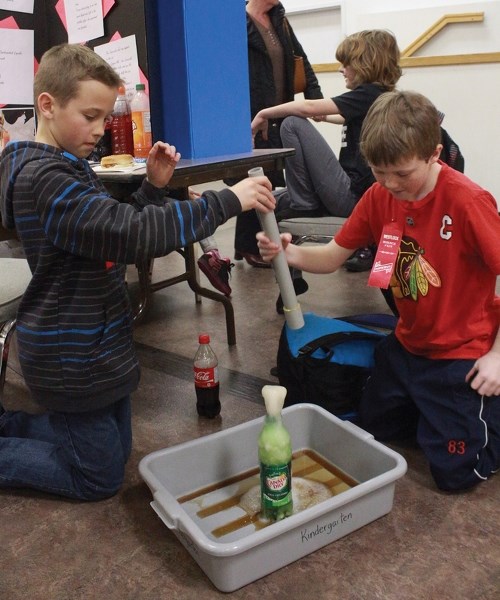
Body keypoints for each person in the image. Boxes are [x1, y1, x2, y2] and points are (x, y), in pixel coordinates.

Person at [0, 43, 275, 501]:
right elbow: (128, 233)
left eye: (103, 117)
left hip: (96, 342)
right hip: (72, 352)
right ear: (47, 105)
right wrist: (227, 201)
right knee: (98, 477)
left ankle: (13, 425)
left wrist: (152, 187)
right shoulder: (43, 179)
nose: (98, 130)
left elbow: (107, 240)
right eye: (88, 116)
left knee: (116, 449)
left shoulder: (63, 167)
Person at [257, 90, 500, 491]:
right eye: (378, 171)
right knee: (373, 428)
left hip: (462, 350)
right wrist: (291, 252)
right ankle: (440, 412)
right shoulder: (379, 196)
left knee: (455, 475)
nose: (390, 184)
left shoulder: (468, 202)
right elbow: (334, 256)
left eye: (402, 174)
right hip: (408, 345)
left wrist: (496, 357)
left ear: (434, 154)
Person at [252, 29, 402, 308]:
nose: (341, 69)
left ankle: (304, 202)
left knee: (292, 123)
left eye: (347, 63)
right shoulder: (377, 98)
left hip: (352, 198)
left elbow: (306, 107)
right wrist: (326, 116)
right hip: (352, 193)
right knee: (269, 200)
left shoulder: (369, 93)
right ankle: (292, 280)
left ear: (365, 64)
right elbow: (339, 116)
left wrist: (264, 113)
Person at [232, 0, 323, 269]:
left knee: (271, 174)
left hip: (279, 111)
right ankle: (252, 244)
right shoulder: (238, 20)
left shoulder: (279, 18)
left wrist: (314, 98)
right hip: (253, 111)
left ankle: (253, 242)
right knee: (258, 174)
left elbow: (300, 60)